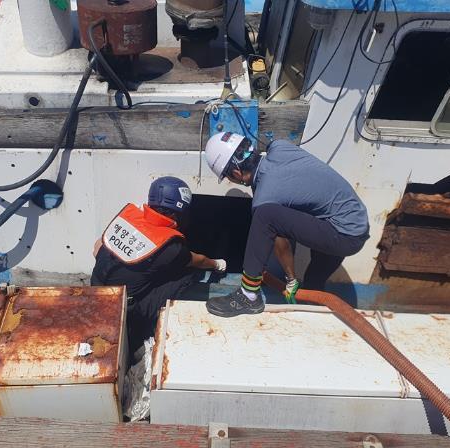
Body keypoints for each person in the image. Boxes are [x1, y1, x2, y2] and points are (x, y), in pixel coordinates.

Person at [204, 132, 369, 317]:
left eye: (228, 177)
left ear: (236, 173)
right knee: (313, 282)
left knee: (265, 216)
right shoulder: (280, 146)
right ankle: (314, 312)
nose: (230, 180)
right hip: (354, 222)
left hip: (343, 235)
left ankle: (248, 295)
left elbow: (280, 242)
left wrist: (291, 279)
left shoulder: (264, 200)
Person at [91, 176, 226, 353]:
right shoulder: (171, 247)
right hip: (124, 306)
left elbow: (97, 247)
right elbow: (199, 261)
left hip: (95, 287)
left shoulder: (128, 218)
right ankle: (140, 328)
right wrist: (217, 264)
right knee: (189, 274)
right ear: (178, 214)